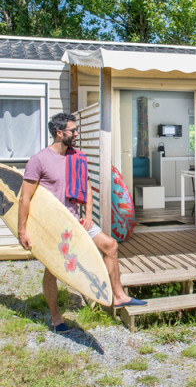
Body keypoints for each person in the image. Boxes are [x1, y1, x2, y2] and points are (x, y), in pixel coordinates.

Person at [18, 113, 146, 333]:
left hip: (76, 221)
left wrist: (88, 216)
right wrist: (22, 230)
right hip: (53, 225)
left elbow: (86, 187)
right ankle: (56, 317)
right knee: (53, 270)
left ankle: (118, 295)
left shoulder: (77, 157)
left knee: (110, 246)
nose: (76, 134)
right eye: (73, 130)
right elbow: (25, 198)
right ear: (60, 133)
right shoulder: (39, 160)